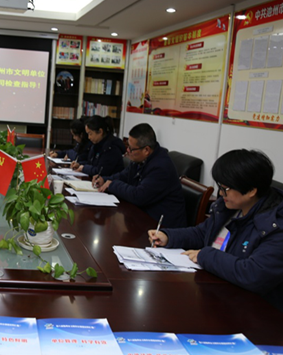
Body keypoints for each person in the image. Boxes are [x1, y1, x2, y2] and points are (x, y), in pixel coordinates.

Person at [149, 149, 283, 311]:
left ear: (251, 191)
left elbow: (253, 274)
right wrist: (169, 236)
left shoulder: (275, 226)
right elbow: (203, 233)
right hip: (218, 295)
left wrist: (205, 255)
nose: (220, 193)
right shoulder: (229, 208)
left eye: (226, 188)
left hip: (255, 311)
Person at [94, 123, 186, 228]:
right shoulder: (140, 159)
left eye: (131, 148)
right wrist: (104, 180)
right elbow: (124, 175)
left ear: (146, 150)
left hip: (163, 228)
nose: (127, 150)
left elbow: (139, 196)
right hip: (143, 218)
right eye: (127, 146)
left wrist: (112, 185)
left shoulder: (161, 167)